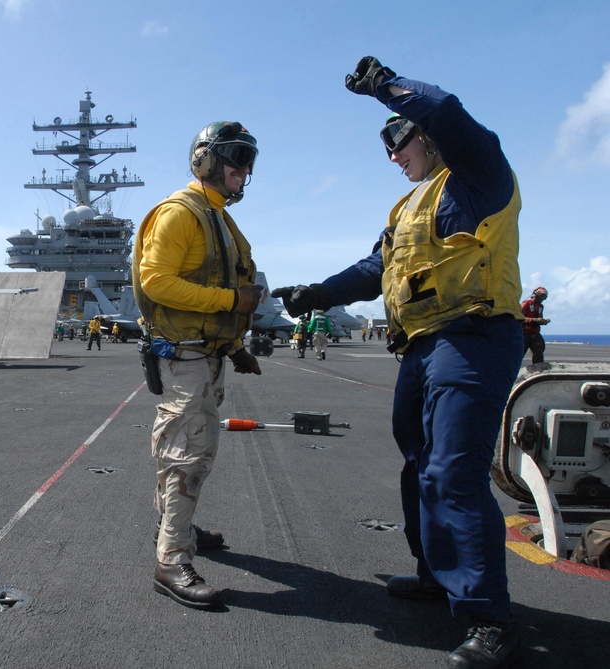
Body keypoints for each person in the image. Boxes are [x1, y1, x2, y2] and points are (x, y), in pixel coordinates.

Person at [272, 57, 523, 669]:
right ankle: (436, 573)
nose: (392, 155)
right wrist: (318, 294)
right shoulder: (409, 208)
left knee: (455, 472)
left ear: (428, 136)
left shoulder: (478, 176)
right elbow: (372, 269)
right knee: (421, 465)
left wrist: (387, 88)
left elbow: (447, 111)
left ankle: (488, 617)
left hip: (472, 338)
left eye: (399, 139)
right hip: (423, 346)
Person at [133, 120, 263, 610]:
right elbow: (157, 282)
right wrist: (233, 300)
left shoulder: (221, 220)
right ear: (205, 160)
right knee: (187, 453)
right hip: (184, 356)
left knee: (191, 450)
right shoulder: (181, 213)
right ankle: (171, 559)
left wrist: (233, 348)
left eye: (248, 160)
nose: (244, 170)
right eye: (235, 158)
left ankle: (176, 524)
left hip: (207, 355)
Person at [521, 287, 550, 364]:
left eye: (543, 298)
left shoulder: (540, 307)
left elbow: (539, 318)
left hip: (535, 333)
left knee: (539, 350)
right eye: (540, 297)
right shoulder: (526, 304)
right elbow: (519, 318)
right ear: (535, 295)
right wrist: (534, 320)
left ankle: (538, 368)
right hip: (524, 333)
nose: (541, 299)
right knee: (520, 353)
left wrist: (544, 321)